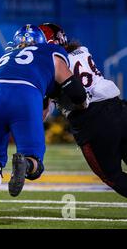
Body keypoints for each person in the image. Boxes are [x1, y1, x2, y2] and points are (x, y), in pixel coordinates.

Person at [0, 25, 88, 224]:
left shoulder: (8, 54)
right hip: (25, 94)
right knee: (35, 162)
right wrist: (83, 104)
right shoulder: (51, 51)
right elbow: (76, 92)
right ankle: (25, 164)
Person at [39, 23, 127, 198]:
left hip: (91, 122)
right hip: (119, 109)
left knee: (112, 176)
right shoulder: (82, 50)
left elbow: (44, 111)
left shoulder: (52, 65)